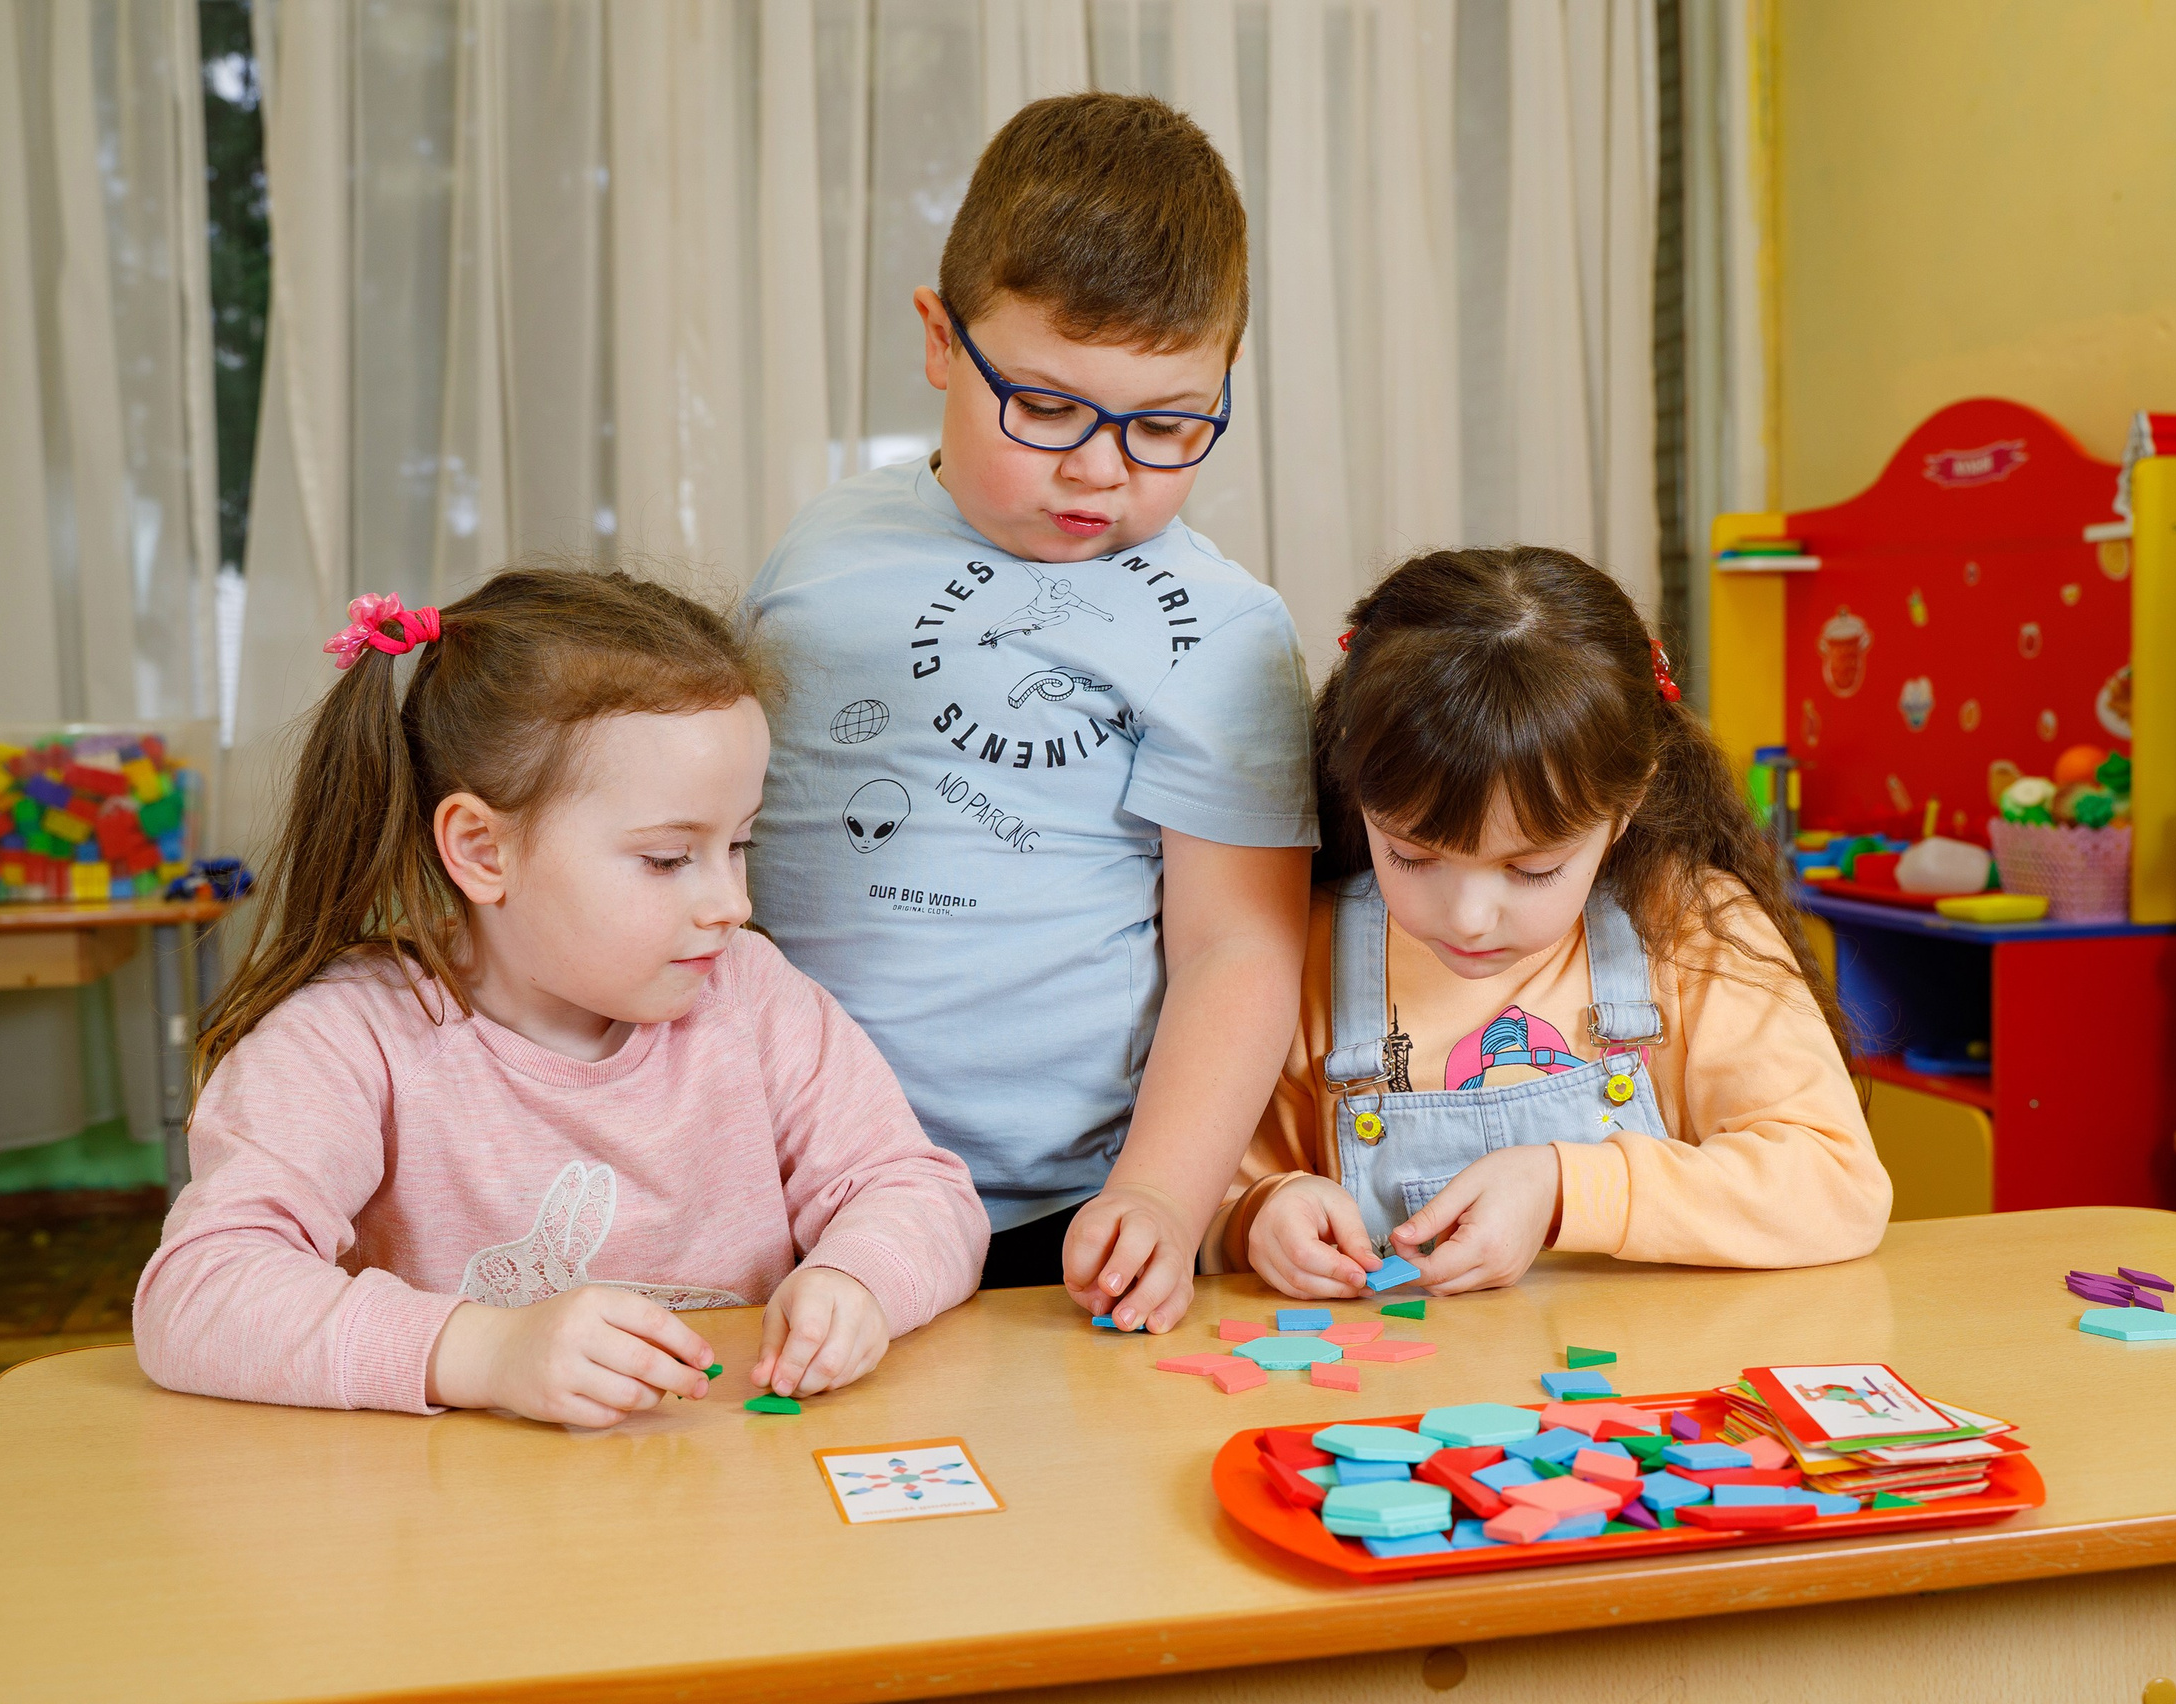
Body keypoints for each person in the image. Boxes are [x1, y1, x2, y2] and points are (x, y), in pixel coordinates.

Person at [134, 567, 988, 1426]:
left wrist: (858, 1276)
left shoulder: (753, 997)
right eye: (666, 858)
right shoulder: (345, 1040)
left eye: (740, 843)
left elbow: (916, 1190)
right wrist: (482, 1352)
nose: (734, 903)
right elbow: (199, 1291)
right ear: (481, 849)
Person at [745, 93, 1314, 1333]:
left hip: (1055, 1214)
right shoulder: (822, 548)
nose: (1098, 469)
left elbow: (1238, 946)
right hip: (769, 1180)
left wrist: (1164, 1197)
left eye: (1167, 426)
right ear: (941, 340)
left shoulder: (1224, 628)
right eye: (1046, 409)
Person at [1211, 547, 1891, 1297]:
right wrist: (1262, 1216)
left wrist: (1567, 1188)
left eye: (1531, 870)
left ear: (1625, 808)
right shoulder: (1302, 951)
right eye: (1411, 856)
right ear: (1355, 789)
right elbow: (1209, 1202)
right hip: (1394, 1401)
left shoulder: (1688, 925)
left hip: (1644, 1395)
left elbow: (1839, 1186)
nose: (1469, 918)